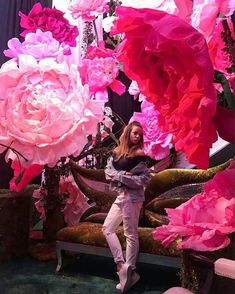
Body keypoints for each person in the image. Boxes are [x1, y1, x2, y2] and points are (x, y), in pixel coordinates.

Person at [102, 121, 151, 293]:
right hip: (121, 195)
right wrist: (124, 175)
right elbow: (108, 173)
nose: (138, 137)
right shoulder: (117, 153)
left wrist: (121, 177)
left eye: (140, 134)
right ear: (128, 132)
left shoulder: (140, 155)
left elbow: (144, 180)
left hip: (133, 198)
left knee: (130, 234)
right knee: (107, 228)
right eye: (135, 133)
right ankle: (121, 266)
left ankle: (130, 271)